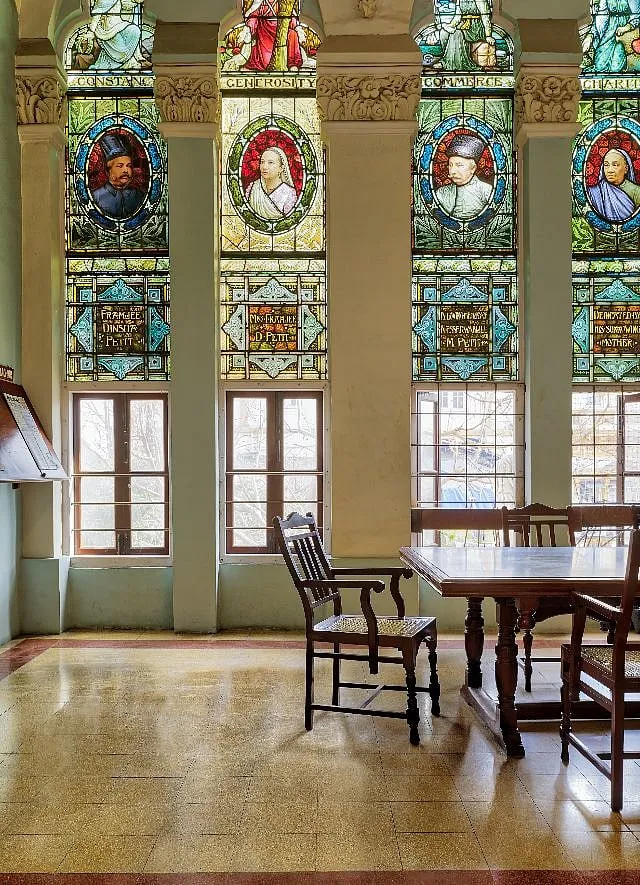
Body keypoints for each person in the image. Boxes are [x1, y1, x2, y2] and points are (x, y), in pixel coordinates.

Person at [435, 133, 493, 221]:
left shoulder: (486, 191)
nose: (452, 171)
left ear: (473, 168)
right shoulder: (441, 193)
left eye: (459, 165)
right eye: (450, 165)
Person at [91, 133, 145, 218]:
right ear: (109, 170)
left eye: (129, 166)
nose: (126, 170)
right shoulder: (96, 197)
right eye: (120, 166)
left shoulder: (139, 195)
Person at [87, 0, 151, 70]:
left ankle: (131, 58)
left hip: (119, 23)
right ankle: (126, 62)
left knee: (135, 30)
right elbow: (96, 17)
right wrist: (91, 31)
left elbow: (128, 6)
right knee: (121, 48)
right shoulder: (102, 1)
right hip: (107, 28)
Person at [436, 0, 496, 71]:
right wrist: (449, 26)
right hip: (463, 25)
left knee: (457, 33)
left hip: (476, 28)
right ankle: (447, 59)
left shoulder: (480, 1)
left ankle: (458, 63)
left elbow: (486, 18)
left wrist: (488, 35)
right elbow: (457, 17)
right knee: (444, 33)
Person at [244, 0, 303, 72]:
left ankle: (292, 63)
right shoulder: (261, 3)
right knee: (266, 61)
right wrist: (248, 28)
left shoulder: (283, 2)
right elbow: (253, 16)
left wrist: (297, 27)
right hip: (265, 31)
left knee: (293, 34)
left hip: (282, 28)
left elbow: (290, 16)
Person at [583, 0, 640, 73]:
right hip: (609, 30)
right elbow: (600, 18)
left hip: (627, 31)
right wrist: (591, 35)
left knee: (616, 68)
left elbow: (636, 15)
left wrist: (628, 27)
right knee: (600, 66)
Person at [588, 147, 640, 222]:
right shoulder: (595, 192)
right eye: (606, 165)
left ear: (626, 168)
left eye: (615, 165)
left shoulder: (636, 191)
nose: (610, 170)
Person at [245, 147, 298, 219]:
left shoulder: (288, 193)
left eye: (270, 162)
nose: (264, 167)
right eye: (262, 162)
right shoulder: (253, 188)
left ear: (281, 168)